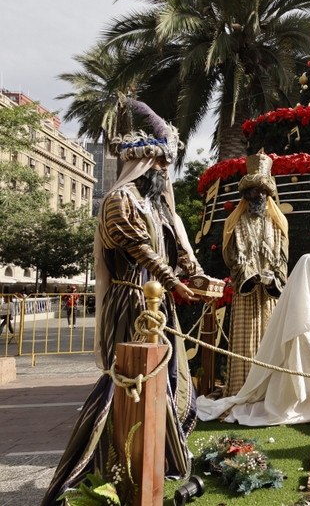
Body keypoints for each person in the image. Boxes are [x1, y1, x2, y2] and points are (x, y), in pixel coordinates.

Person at [41, 99, 206, 506]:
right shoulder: (119, 201)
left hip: (157, 305)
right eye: (161, 167)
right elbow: (140, 250)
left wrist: (195, 272)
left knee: (166, 380)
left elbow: (174, 244)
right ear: (145, 163)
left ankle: (160, 456)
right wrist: (174, 283)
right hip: (131, 302)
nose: (166, 175)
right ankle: (102, 464)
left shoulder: (153, 203)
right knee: (127, 383)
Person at [196, 253, 310, 425]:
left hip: (309, 352)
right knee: (289, 396)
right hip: (294, 357)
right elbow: (298, 332)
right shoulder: (297, 297)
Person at [220, 152, 289, 398]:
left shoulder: (278, 223)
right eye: (253, 191)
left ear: (268, 195)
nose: (257, 195)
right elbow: (229, 257)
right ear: (245, 195)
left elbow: (283, 258)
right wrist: (248, 274)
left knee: (270, 341)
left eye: (262, 191)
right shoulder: (233, 221)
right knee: (246, 341)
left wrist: (272, 278)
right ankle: (243, 390)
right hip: (245, 291)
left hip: (270, 294)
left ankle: (269, 393)